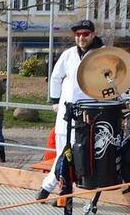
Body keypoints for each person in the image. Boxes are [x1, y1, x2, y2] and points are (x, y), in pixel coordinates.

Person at [36, 19, 104, 201]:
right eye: (78, 34)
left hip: (88, 112)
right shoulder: (68, 54)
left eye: (85, 34)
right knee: (62, 154)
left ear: (93, 34)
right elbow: (56, 77)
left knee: (79, 154)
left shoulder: (102, 54)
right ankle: (54, 190)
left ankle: (52, 189)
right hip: (66, 113)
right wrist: (56, 100)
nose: (81, 38)